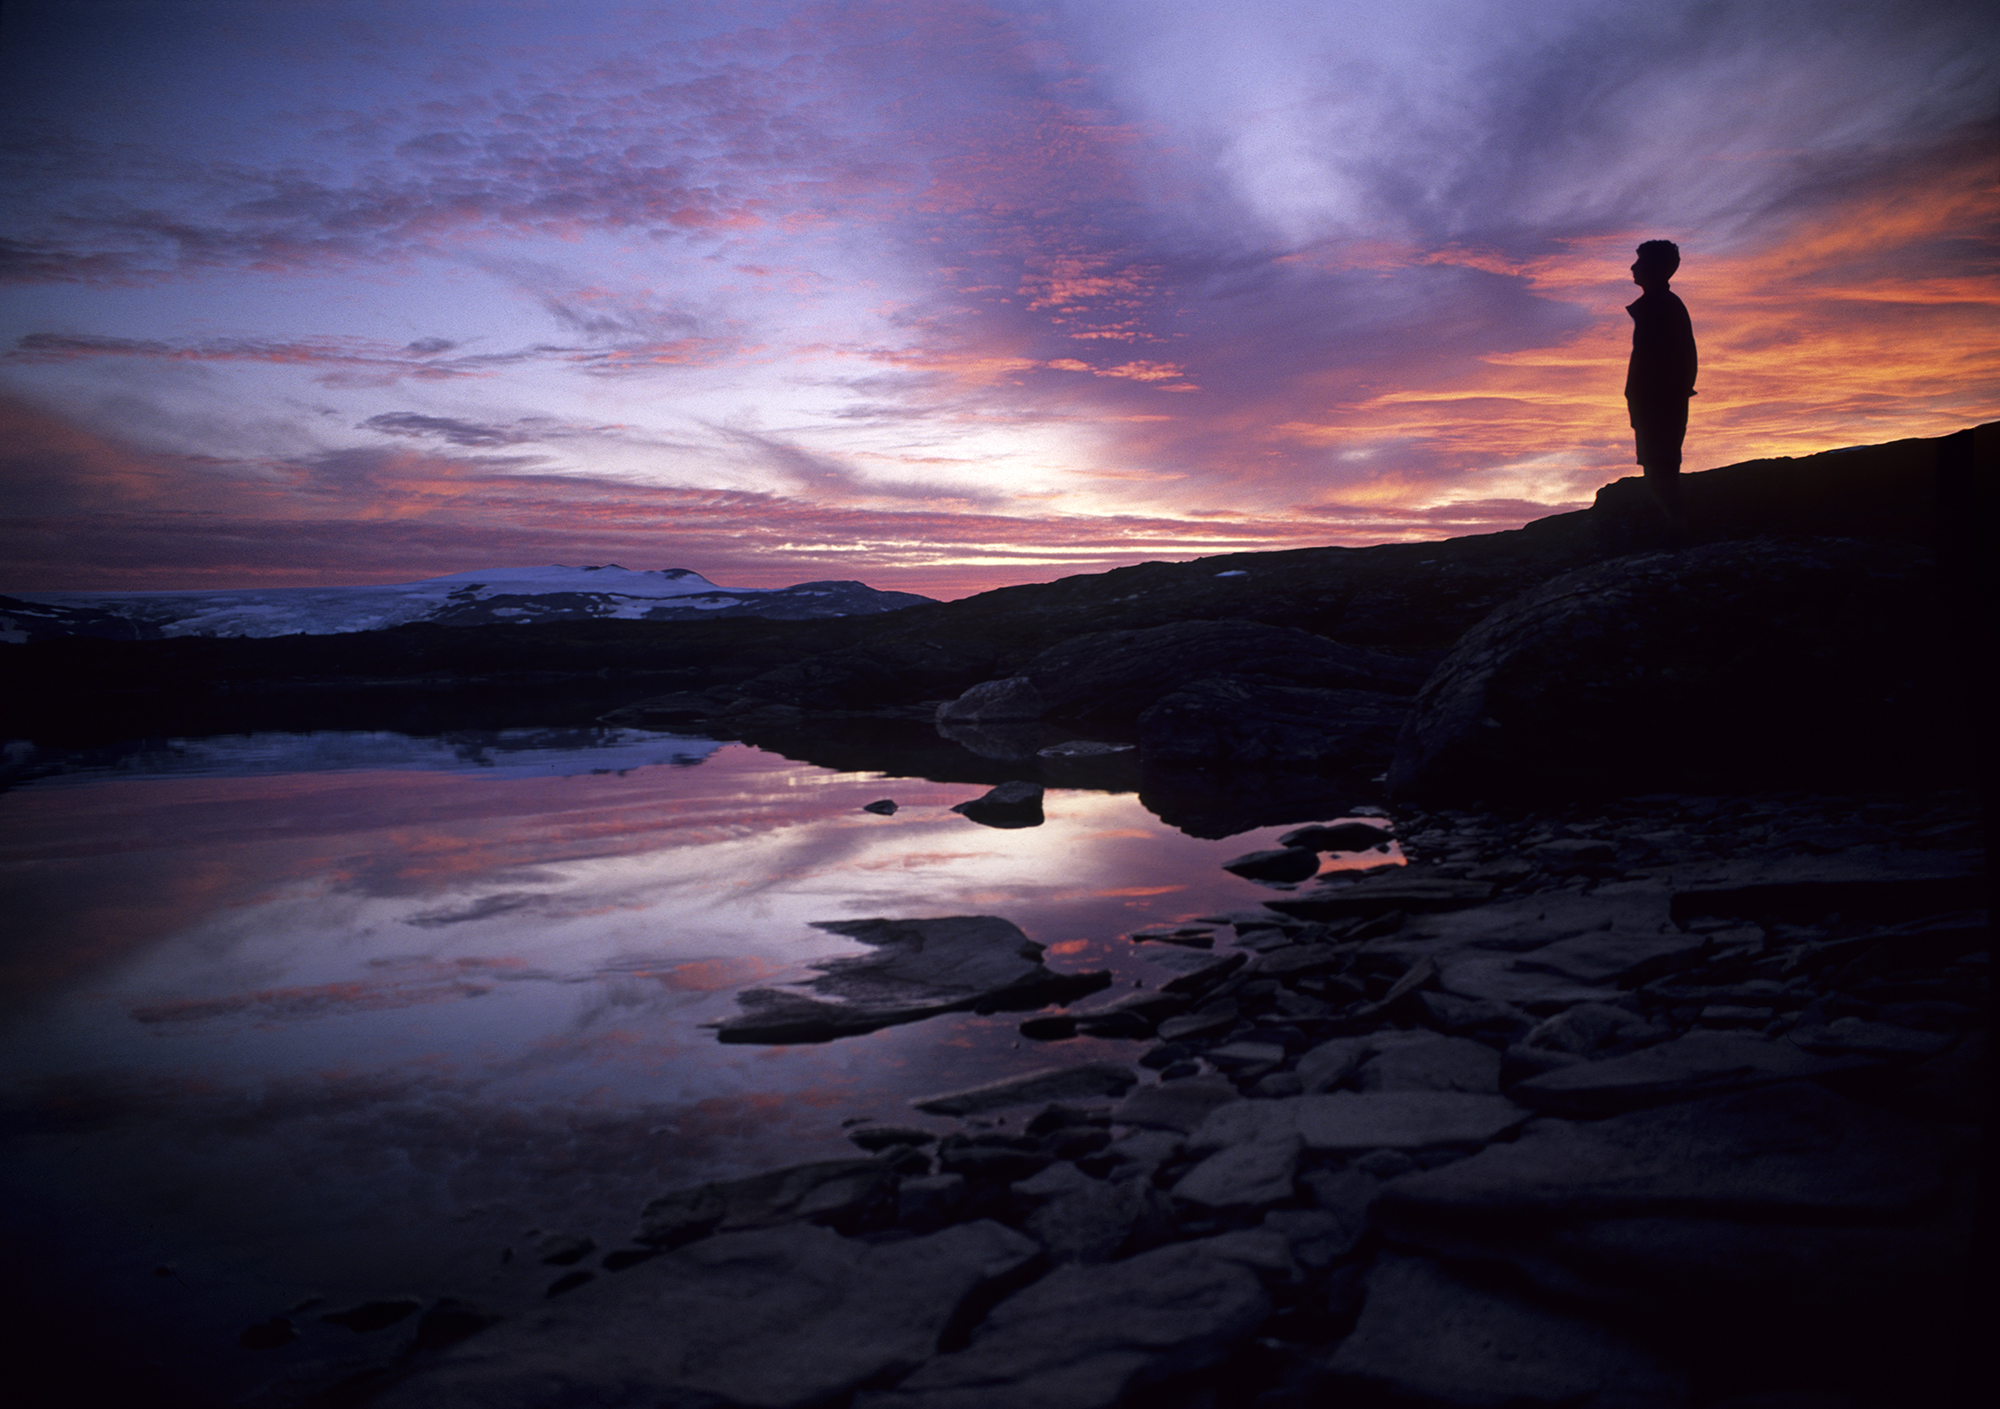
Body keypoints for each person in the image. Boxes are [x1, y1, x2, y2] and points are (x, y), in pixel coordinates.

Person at [1624, 239, 1697, 539]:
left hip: (1660, 402)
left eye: (1640, 261)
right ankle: (1673, 525)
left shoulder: (1663, 306)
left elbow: (1679, 360)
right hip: (1654, 401)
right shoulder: (1657, 306)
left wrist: (1658, 397)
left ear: (1656, 267)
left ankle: (1677, 527)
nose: (1633, 267)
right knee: (1656, 463)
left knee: (1661, 464)